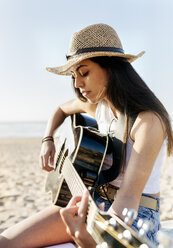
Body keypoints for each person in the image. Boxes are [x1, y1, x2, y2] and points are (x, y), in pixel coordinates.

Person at [0, 23, 173, 248]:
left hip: (134, 215)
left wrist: (85, 237)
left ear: (111, 68)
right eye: (74, 76)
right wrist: (47, 140)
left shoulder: (147, 122)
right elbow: (60, 110)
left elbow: (128, 200)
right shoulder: (97, 106)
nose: (77, 83)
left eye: (84, 73)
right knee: (5, 242)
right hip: (92, 200)